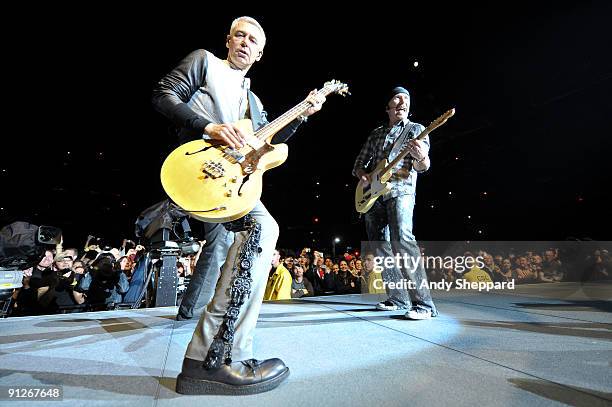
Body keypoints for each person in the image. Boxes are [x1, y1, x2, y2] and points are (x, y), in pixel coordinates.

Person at [151, 16, 326, 395]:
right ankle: (212, 359)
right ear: (228, 40)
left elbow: (265, 142)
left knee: (254, 234)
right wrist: (207, 127)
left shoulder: (254, 101)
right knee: (261, 228)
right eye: (240, 35)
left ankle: (221, 353)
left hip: (229, 184)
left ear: (260, 54)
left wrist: (303, 115)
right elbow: (163, 94)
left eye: (254, 40)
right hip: (198, 165)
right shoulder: (205, 62)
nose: (245, 42)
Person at [353, 87, 438, 320]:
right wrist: (364, 175)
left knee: (402, 239)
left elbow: (423, 167)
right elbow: (359, 163)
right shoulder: (376, 133)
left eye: (407, 99)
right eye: (397, 98)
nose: (403, 102)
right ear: (388, 107)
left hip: (401, 189)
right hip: (373, 195)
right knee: (380, 247)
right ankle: (397, 297)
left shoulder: (416, 130)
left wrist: (421, 156)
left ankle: (424, 304)